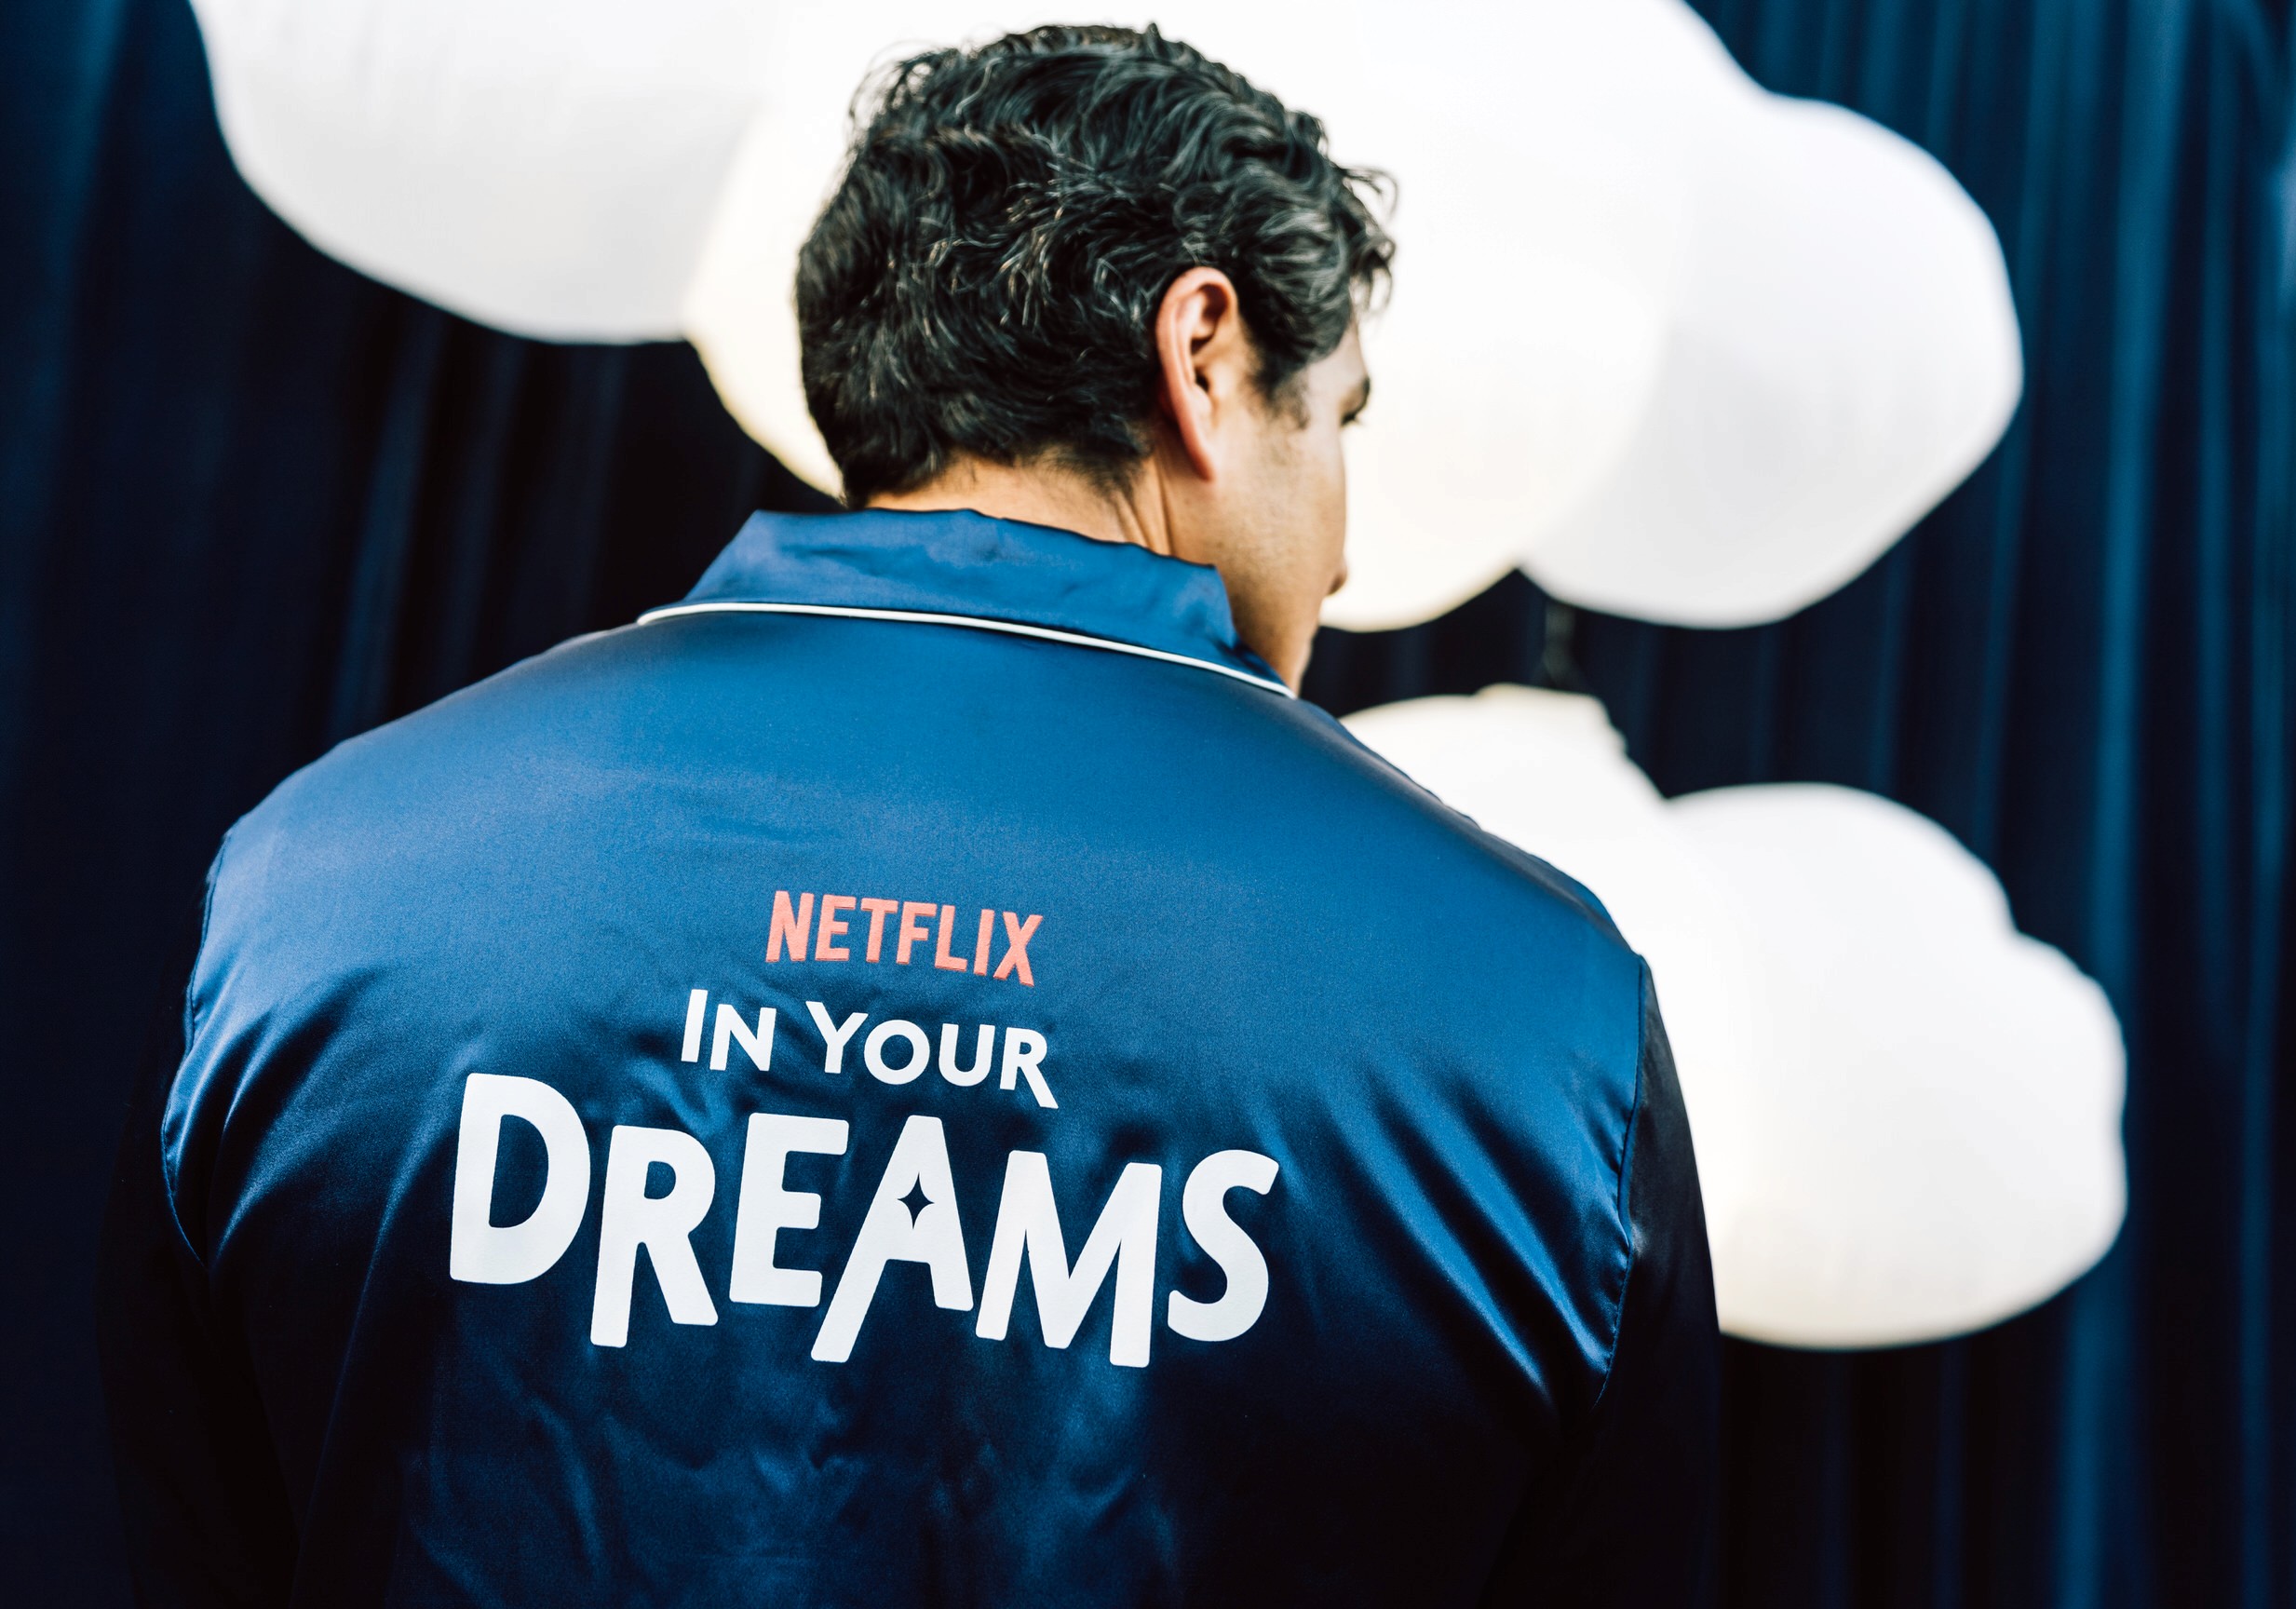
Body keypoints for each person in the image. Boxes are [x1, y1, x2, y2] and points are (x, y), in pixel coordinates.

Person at [98, 24, 1716, 1605]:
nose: (1349, 553)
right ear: (1206, 357)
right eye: (1338, 421)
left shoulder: (323, 889)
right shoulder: (1535, 1021)